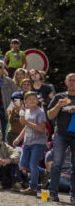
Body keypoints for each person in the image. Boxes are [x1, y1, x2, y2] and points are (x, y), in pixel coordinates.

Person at [48, 72, 75, 202]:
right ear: (65, 82)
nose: (72, 82)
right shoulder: (59, 97)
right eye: (70, 80)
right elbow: (50, 116)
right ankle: (53, 193)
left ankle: (74, 195)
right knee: (56, 164)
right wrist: (58, 105)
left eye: (74, 80)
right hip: (61, 135)